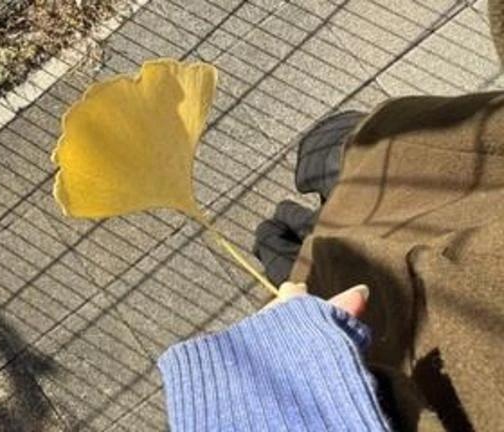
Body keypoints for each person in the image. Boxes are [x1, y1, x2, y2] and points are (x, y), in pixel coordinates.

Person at [158, 93, 504, 431]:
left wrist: (274, 406)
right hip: (441, 172)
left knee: (317, 202)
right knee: (336, 151)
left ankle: (344, 185)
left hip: (369, 318)